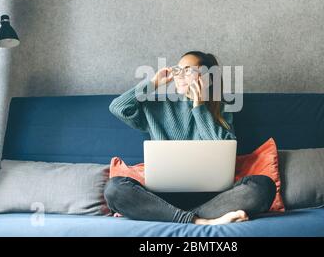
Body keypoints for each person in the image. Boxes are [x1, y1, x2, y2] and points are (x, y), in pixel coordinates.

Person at [104, 51, 276, 225]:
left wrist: (199, 107)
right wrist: (153, 83)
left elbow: (222, 148)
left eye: (188, 70)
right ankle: (200, 221)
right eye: (178, 70)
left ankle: (181, 216)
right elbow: (118, 107)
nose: (179, 75)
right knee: (114, 189)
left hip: (212, 199)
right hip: (162, 198)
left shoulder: (222, 111)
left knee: (263, 187)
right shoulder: (156, 107)